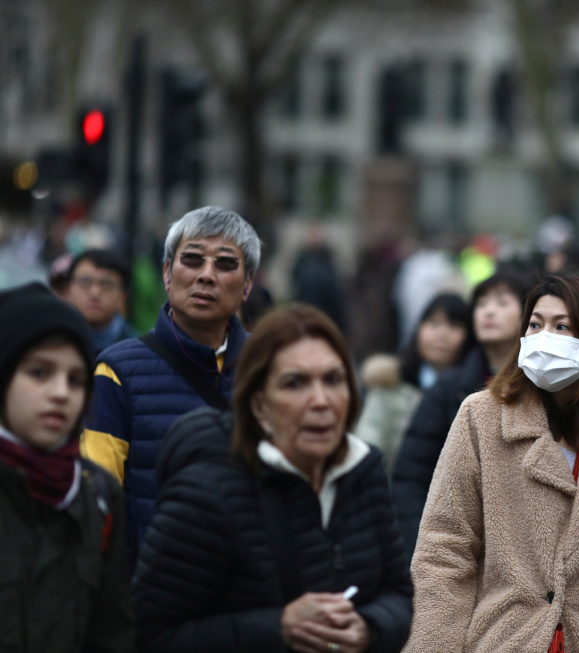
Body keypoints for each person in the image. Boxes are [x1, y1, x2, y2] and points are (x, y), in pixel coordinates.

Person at [403, 272, 579, 652]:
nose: (543, 338)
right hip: (505, 640)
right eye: (535, 325)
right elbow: (445, 550)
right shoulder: (481, 417)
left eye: (562, 327)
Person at [131, 304, 412, 653]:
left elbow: (398, 593)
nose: (321, 401)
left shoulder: (364, 471)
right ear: (259, 404)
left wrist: (369, 627)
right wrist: (277, 628)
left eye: (333, 380)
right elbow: (151, 634)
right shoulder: (207, 494)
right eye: (295, 383)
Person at [82, 206, 261, 565]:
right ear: (166, 273)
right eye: (192, 259)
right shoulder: (117, 371)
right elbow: (96, 500)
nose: (206, 275)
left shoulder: (271, 369)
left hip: (252, 586)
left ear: (247, 285)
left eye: (226, 264)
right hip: (150, 585)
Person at [0, 282, 133, 652]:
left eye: (76, 380)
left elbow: (112, 632)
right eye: (39, 373)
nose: (61, 393)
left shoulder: (98, 495)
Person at [391, 269, 528, 557]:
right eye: (481, 304)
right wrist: (426, 550)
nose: (489, 311)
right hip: (458, 549)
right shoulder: (449, 388)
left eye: (502, 303)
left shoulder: (544, 387)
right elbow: (411, 477)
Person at [355, 292, 472, 472]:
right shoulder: (389, 383)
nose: (442, 334)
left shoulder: (472, 393)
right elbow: (367, 450)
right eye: (433, 323)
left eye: (453, 325)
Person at [63, 249, 137, 352]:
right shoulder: (52, 341)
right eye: (85, 282)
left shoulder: (136, 349)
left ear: (123, 296)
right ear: (68, 291)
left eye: (106, 284)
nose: (95, 293)